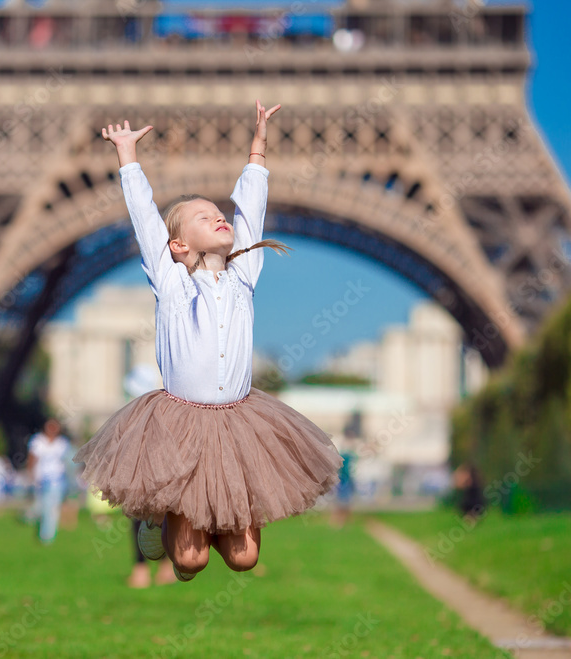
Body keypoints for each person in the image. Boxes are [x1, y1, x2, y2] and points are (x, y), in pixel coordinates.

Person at [74, 107, 343, 582]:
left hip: (239, 422)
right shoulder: (171, 282)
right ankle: (163, 521)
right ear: (177, 245)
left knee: (245, 559)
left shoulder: (244, 275)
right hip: (180, 423)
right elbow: (145, 220)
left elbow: (251, 211)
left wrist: (258, 150)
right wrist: (128, 157)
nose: (220, 218)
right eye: (204, 217)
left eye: (221, 215)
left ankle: (210, 521)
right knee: (190, 561)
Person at [27, 419, 71, 545]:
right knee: (40, 507)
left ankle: (47, 536)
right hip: (40, 479)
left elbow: (68, 461)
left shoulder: (62, 443)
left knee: (52, 508)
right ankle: (32, 521)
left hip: (56, 480)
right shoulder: (38, 441)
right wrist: (30, 474)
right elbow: (32, 458)